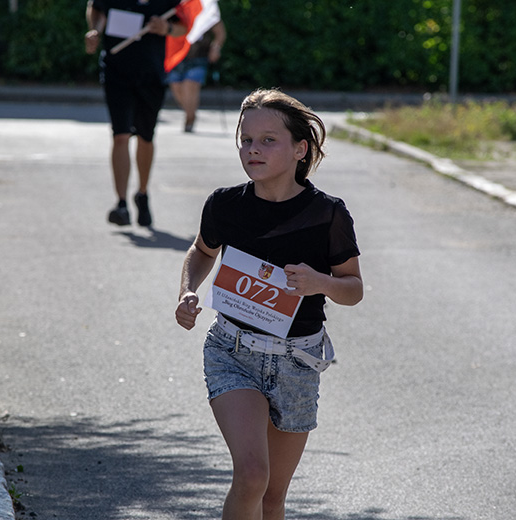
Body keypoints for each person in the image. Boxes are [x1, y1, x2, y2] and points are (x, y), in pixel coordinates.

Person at [175, 88, 363, 519]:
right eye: (245, 140)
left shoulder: (327, 214)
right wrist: (188, 290)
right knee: (252, 476)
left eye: (267, 140)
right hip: (232, 352)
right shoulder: (224, 204)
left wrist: (320, 282)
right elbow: (203, 251)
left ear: (301, 149)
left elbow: (353, 288)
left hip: (298, 360)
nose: (252, 150)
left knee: (274, 497)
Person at [85, 0, 187, 227]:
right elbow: (97, 9)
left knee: (146, 137)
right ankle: (121, 204)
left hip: (151, 75)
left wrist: (167, 28)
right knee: (120, 135)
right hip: (116, 72)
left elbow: (184, 26)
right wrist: (95, 30)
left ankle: (142, 194)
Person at [167, 20, 226, 133]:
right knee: (176, 88)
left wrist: (215, 48)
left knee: (190, 86)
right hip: (177, 56)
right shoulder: (177, 8)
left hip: (198, 56)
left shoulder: (206, 9)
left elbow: (220, 32)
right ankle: (190, 113)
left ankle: (189, 119)